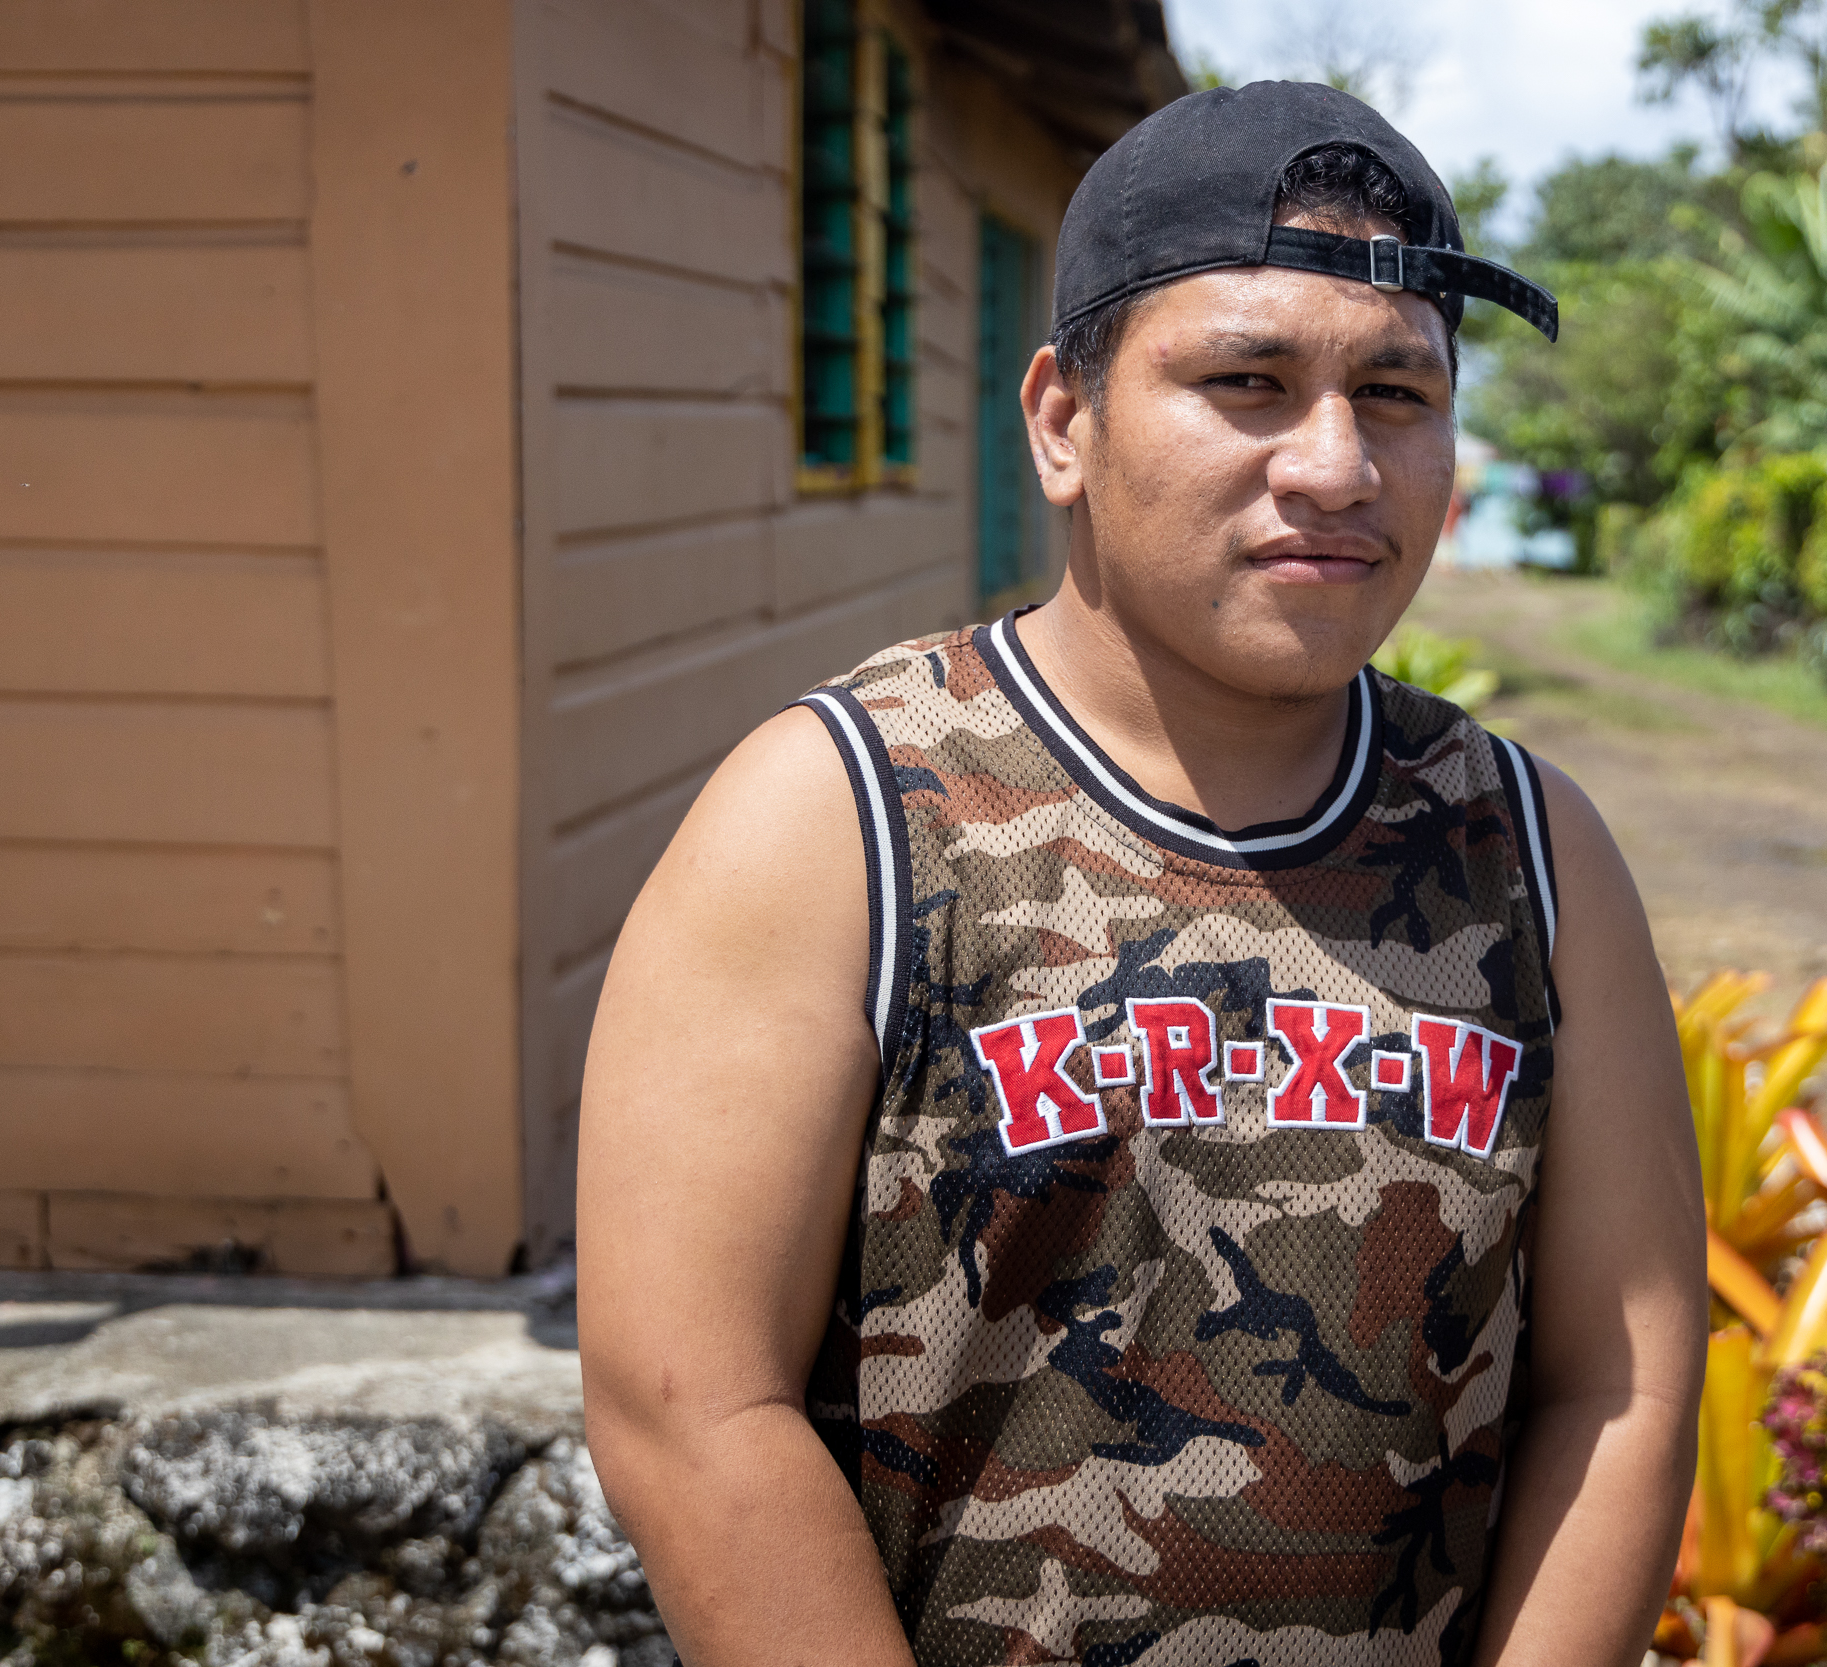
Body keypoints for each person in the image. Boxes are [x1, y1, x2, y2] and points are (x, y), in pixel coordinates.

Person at [576, 79, 1706, 1667]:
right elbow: (693, 1407)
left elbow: (1623, 1387)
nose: (1336, 466)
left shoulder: (1527, 847)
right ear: (1063, 421)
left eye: (1396, 393)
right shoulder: (844, 819)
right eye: (1248, 382)